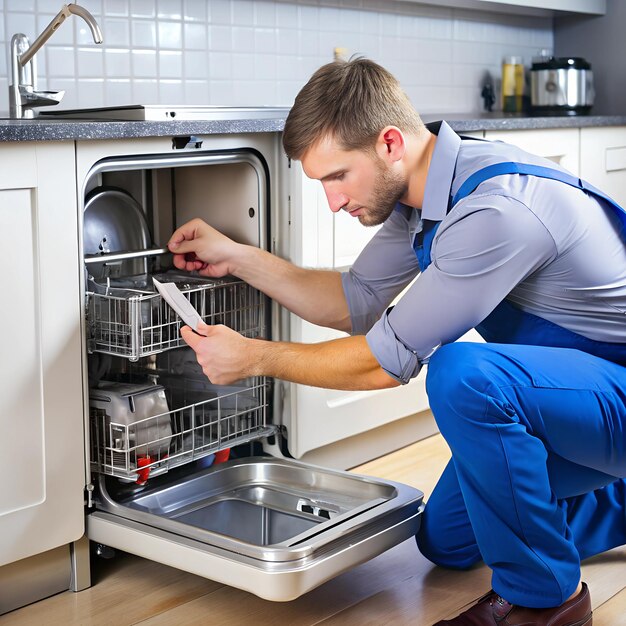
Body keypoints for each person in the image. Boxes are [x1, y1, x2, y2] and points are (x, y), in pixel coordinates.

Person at [167, 58, 626, 625]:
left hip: (615, 395)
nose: (333, 202)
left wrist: (254, 358)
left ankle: (544, 598)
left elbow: (382, 364)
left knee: (463, 375)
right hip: (575, 394)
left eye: (337, 177)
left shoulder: (496, 210)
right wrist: (237, 257)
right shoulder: (425, 191)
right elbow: (354, 300)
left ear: (388, 143)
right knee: (447, 542)